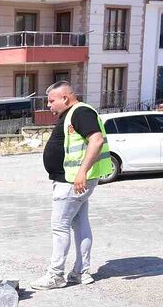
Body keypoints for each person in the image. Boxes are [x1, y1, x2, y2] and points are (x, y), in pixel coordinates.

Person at [32, 81, 110, 290]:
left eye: (51, 101)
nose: (49, 105)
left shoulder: (80, 112)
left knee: (60, 226)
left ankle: (56, 275)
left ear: (65, 98)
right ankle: (81, 272)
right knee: (80, 223)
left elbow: (96, 140)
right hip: (74, 180)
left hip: (72, 181)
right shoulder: (72, 113)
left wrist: (81, 173)